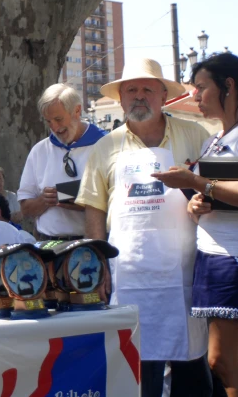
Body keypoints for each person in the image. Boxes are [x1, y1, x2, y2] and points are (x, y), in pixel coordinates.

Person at [77, 58, 211, 397]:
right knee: (137, 372)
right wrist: (98, 266)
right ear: (121, 99)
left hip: (186, 273)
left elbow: (214, 189)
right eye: (131, 90)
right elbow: (94, 210)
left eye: (148, 89)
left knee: (193, 371)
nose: (139, 96)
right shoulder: (105, 147)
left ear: (163, 95)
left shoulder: (195, 135)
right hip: (129, 276)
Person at [149, 53, 238, 396]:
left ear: (228, 85)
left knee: (222, 362)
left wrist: (198, 184)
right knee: (222, 362)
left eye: (201, 87)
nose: (195, 97)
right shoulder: (213, 140)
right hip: (212, 254)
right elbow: (212, 196)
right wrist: (198, 203)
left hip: (231, 257)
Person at [18, 84, 106, 239]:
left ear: (77, 111)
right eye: (48, 121)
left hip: (93, 244)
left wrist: (83, 201)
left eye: (58, 119)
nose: (54, 127)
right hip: (48, 245)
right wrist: (44, 200)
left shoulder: (106, 144)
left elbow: (121, 200)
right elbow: (25, 208)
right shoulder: (39, 151)